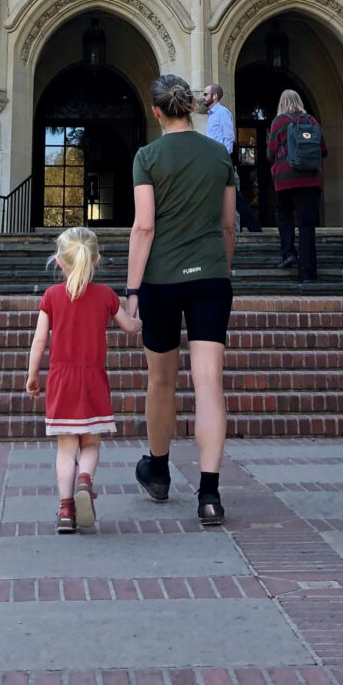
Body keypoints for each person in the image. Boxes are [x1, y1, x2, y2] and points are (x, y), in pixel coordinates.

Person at [125, 73, 238, 526]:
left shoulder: (147, 157)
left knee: (161, 381)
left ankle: (158, 470)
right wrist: (220, 268)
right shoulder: (219, 155)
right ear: (192, 106)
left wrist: (132, 290)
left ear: (156, 111)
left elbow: (144, 227)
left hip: (161, 280)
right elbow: (228, 225)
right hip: (211, 277)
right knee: (209, 382)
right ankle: (209, 494)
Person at [26, 226, 143, 531]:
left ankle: (66, 510)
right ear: (96, 260)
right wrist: (138, 317)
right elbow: (130, 327)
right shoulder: (105, 295)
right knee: (91, 442)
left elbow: (39, 341)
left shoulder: (51, 296)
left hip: (61, 381)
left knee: (66, 449)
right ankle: (85, 481)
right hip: (93, 381)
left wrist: (32, 374)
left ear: (59, 261)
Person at [267, 88, 325, 285]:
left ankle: (289, 252)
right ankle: (307, 273)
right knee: (307, 225)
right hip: (311, 179)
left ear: (281, 104)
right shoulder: (312, 121)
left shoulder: (278, 122)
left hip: (285, 178)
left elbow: (271, 152)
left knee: (284, 214)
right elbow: (324, 149)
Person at [201, 83, 261, 231]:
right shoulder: (212, 115)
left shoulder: (222, 113)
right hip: (214, 161)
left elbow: (228, 138)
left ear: (215, 96)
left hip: (221, 161)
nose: (203, 97)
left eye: (206, 94)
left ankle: (253, 228)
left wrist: (223, 160)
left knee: (234, 196)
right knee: (227, 196)